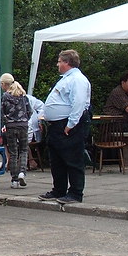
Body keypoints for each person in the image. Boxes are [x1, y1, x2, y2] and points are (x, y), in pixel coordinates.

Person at [38, 49, 91, 205]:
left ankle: (75, 193)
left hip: (68, 124)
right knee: (57, 159)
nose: (58, 64)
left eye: (60, 61)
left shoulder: (77, 79)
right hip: (58, 124)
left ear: (67, 62)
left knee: (73, 159)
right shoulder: (66, 79)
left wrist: (71, 124)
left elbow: (79, 103)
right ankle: (58, 190)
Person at [1, 79, 31, 189]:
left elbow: (1, 112)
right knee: (23, 150)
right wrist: (24, 120)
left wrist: (5, 122)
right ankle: (22, 172)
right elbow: (30, 111)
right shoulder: (23, 96)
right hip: (23, 125)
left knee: (13, 152)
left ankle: (14, 180)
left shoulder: (5, 97)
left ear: (5, 84)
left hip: (10, 126)